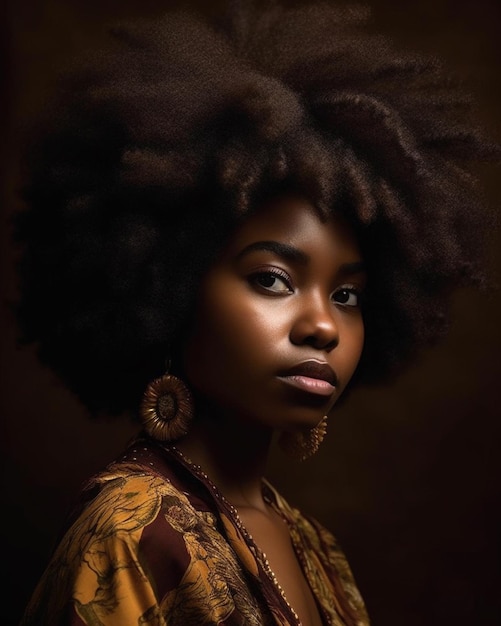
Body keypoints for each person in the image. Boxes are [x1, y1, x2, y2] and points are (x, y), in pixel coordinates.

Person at [14, 1, 497, 625]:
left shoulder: (315, 545)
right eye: (273, 280)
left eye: (347, 295)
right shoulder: (130, 536)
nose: (322, 326)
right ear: (170, 290)